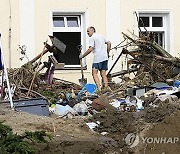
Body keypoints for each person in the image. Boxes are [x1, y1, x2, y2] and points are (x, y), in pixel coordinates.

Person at [79, 26, 111, 92]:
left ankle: (99, 89)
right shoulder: (101, 36)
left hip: (97, 58)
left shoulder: (92, 37)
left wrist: (82, 56)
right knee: (103, 74)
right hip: (105, 58)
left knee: (94, 73)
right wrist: (107, 52)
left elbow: (91, 49)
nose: (87, 33)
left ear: (92, 30)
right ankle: (106, 88)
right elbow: (109, 43)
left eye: (88, 31)